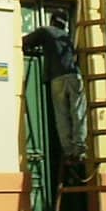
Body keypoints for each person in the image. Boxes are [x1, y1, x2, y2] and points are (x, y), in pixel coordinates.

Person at [22, 10, 88, 170]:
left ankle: (68, 151)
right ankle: (79, 149)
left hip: (56, 78)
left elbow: (26, 41)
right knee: (77, 112)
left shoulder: (46, 31)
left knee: (62, 116)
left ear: (52, 20)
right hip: (73, 76)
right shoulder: (67, 38)